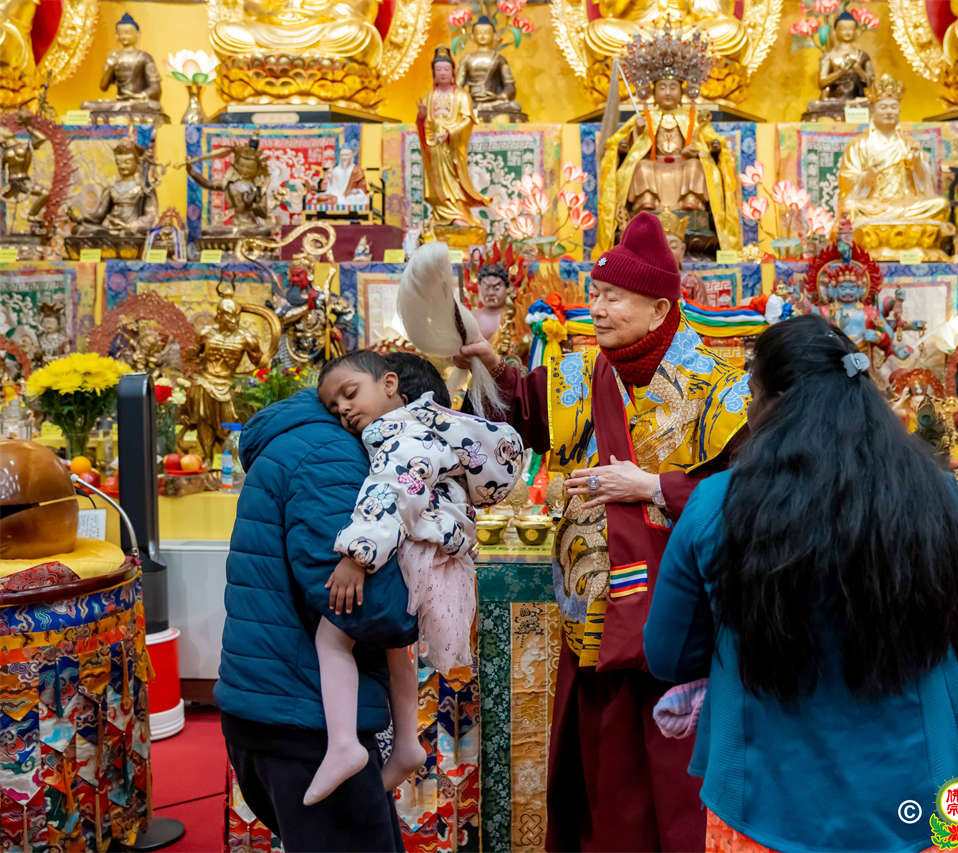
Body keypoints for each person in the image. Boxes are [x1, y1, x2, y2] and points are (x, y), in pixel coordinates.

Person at [644, 313, 958, 852]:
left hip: (763, 798)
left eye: (752, 394)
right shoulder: (935, 492)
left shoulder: (717, 502)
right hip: (920, 790)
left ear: (772, 400)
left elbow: (670, 656)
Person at [456, 210, 750, 851]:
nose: (598, 308)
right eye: (595, 293)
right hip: (591, 612)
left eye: (614, 297)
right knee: (604, 769)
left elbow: (753, 499)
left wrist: (654, 487)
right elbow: (524, 412)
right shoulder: (582, 372)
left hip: (678, 612)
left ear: (660, 308)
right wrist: (492, 365)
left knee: (676, 770)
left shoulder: (720, 389)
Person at [304, 350, 523, 805]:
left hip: (415, 552)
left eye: (350, 393)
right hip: (432, 552)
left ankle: (343, 743)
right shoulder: (426, 430)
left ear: (389, 385)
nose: (344, 409)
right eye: (334, 407)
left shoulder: (402, 434)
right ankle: (406, 743)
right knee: (393, 648)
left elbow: (393, 492)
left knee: (332, 633)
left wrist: (357, 556)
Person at [216, 386, 417, 850]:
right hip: (304, 720)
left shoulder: (309, 443)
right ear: (395, 392)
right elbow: (356, 604)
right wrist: (422, 604)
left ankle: (406, 745)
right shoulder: (328, 456)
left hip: (281, 703)